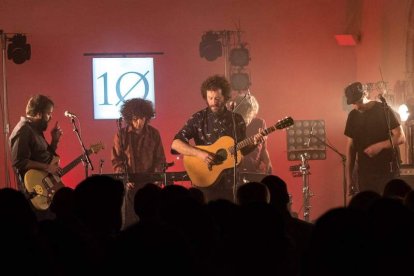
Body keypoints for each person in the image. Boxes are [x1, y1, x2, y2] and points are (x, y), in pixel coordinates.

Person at [171, 75, 265, 202]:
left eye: (217, 98)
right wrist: (200, 154)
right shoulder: (198, 118)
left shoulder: (236, 119)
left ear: (225, 97)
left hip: (230, 184)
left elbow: (241, 150)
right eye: (210, 98)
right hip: (204, 182)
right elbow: (175, 144)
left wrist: (254, 142)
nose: (213, 102)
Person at [111, 97, 166, 229]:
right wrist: (125, 178)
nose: (139, 122)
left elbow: (160, 159)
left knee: (153, 222)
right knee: (129, 222)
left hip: (150, 184)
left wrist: (158, 178)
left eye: (142, 118)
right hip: (130, 185)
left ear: (147, 117)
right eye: (135, 119)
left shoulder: (154, 134)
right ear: (130, 118)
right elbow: (116, 160)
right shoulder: (121, 135)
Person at [344, 82, 406, 195]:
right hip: (364, 174)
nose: (357, 106)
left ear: (365, 94)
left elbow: (401, 137)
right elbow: (350, 149)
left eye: (359, 101)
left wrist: (379, 146)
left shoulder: (384, 110)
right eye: (354, 103)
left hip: (387, 172)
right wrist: (349, 179)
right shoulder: (352, 116)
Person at [9, 94, 63, 219]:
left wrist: (55, 141)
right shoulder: (23, 130)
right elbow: (19, 161)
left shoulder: (34, 129)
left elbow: (44, 156)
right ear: (38, 114)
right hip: (34, 192)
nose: (50, 118)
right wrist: (48, 167)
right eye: (48, 114)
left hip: (45, 187)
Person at [232, 93, 273, 174]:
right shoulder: (230, 124)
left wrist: (268, 163)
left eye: (249, 113)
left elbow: (264, 149)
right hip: (234, 171)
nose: (246, 116)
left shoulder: (259, 123)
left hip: (254, 170)